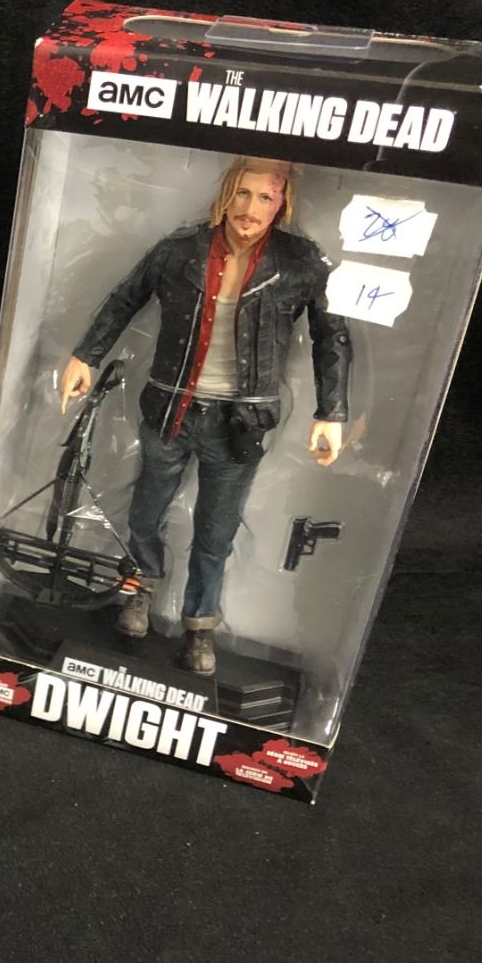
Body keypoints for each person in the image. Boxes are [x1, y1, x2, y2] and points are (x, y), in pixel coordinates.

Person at [58, 157, 352, 675]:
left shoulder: (300, 262)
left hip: (241, 424)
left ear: (282, 203)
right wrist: (87, 355)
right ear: (225, 194)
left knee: (216, 533)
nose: (250, 208)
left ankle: (200, 625)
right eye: (242, 193)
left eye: (265, 197)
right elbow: (125, 299)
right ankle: (141, 588)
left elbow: (332, 335)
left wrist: (332, 411)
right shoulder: (179, 251)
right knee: (145, 512)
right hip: (170, 409)